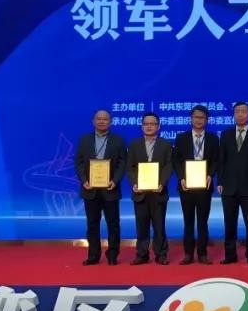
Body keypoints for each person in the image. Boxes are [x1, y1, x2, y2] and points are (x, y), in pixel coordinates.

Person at [73, 109, 127, 265]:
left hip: (110, 189)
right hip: (90, 189)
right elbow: (78, 162)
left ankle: (112, 255)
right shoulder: (84, 140)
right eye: (99, 119)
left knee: (113, 224)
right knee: (92, 224)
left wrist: (115, 180)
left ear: (110, 122)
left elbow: (122, 162)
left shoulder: (118, 140)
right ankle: (93, 255)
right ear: (93, 121)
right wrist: (84, 180)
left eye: (105, 119)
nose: (102, 121)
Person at [217, 101, 248, 264]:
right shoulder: (225, 134)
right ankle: (230, 255)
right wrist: (220, 181)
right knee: (229, 223)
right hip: (228, 187)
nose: (240, 114)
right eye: (237, 111)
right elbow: (221, 160)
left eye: (243, 111)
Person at [173, 105, 220, 265]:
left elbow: (216, 160)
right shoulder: (181, 138)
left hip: (204, 186)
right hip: (186, 186)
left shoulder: (213, 139)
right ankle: (188, 254)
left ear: (206, 120)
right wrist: (181, 177)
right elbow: (176, 160)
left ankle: (202, 253)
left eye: (202, 117)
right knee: (188, 221)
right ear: (191, 119)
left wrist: (210, 174)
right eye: (196, 117)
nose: (199, 120)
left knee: (202, 222)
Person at [126, 113, 173, 265]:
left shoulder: (166, 144)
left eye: (152, 124)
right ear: (142, 126)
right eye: (146, 124)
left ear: (158, 126)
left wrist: (162, 183)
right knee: (142, 225)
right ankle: (142, 254)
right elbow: (130, 167)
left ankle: (161, 254)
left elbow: (169, 165)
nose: (149, 126)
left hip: (158, 192)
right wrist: (134, 183)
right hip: (140, 192)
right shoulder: (134, 144)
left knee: (159, 226)